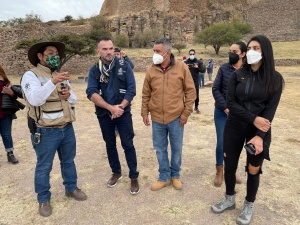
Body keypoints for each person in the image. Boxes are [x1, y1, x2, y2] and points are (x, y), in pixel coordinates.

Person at [211, 35, 284, 225]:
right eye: (250, 47)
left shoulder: (275, 79)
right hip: (234, 125)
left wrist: (260, 136)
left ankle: (249, 204)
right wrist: (253, 118)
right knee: (230, 164)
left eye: (256, 48)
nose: (251, 51)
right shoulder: (237, 75)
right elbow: (230, 103)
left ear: (265, 51)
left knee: (253, 168)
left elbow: (270, 111)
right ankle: (229, 198)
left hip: (259, 130)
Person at [21, 41, 87, 217]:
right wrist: (52, 82)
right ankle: (43, 199)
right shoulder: (30, 76)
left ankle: (71, 188)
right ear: (40, 56)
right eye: (50, 53)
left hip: (67, 128)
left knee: (69, 161)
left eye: (56, 53)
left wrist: (67, 95)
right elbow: (35, 100)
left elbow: (73, 100)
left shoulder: (59, 75)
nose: (55, 56)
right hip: (45, 131)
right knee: (44, 166)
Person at [86, 36, 140, 195]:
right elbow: (91, 93)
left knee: (128, 144)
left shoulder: (124, 65)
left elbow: (132, 89)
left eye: (111, 48)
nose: (109, 52)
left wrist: (121, 107)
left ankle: (133, 176)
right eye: (104, 49)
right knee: (110, 144)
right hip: (104, 114)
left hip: (123, 113)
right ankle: (116, 172)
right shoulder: (94, 70)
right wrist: (111, 108)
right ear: (98, 51)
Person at [141, 38, 196, 191]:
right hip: (157, 118)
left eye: (157, 51)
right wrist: (144, 112)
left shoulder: (182, 67)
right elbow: (146, 93)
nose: (155, 54)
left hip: (176, 117)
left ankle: (175, 176)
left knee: (176, 148)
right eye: (154, 51)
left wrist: (186, 113)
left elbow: (190, 91)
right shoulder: (151, 69)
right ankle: (164, 177)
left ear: (167, 53)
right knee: (160, 149)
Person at [212, 41, 247, 187]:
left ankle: (230, 171)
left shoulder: (248, 70)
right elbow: (216, 89)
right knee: (221, 142)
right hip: (222, 111)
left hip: (239, 115)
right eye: (230, 51)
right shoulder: (224, 68)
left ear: (243, 54)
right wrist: (226, 107)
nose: (231, 54)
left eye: (234, 52)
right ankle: (219, 171)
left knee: (235, 144)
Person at [0, 65, 22, 164]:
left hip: (4, 112)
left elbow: (14, 96)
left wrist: (10, 93)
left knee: (6, 135)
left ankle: (10, 154)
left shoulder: (5, 80)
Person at [184, 49, 206, 114]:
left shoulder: (198, 62)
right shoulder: (185, 62)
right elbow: (180, 71)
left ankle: (196, 107)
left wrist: (197, 68)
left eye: (193, 54)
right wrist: (186, 67)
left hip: (195, 80)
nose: (192, 55)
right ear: (189, 54)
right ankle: (187, 108)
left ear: (195, 54)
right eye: (191, 54)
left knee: (196, 95)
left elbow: (203, 70)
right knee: (186, 95)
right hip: (187, 81)